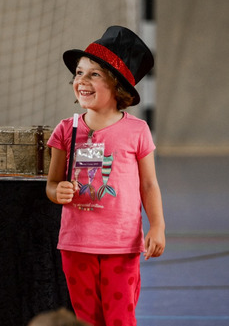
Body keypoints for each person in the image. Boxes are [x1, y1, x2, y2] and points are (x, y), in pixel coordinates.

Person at [46, 26, 166, 326]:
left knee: (119, 318)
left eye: (94, 74)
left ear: (119, 87)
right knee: (86, 319)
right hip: (76, 245)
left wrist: (158, 227)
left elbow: (149, 184)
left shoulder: (137, 131)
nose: (82, 81)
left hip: (121, 246)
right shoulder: (65, 129)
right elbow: (52, 184)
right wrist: (56, 191)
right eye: (79, 72)